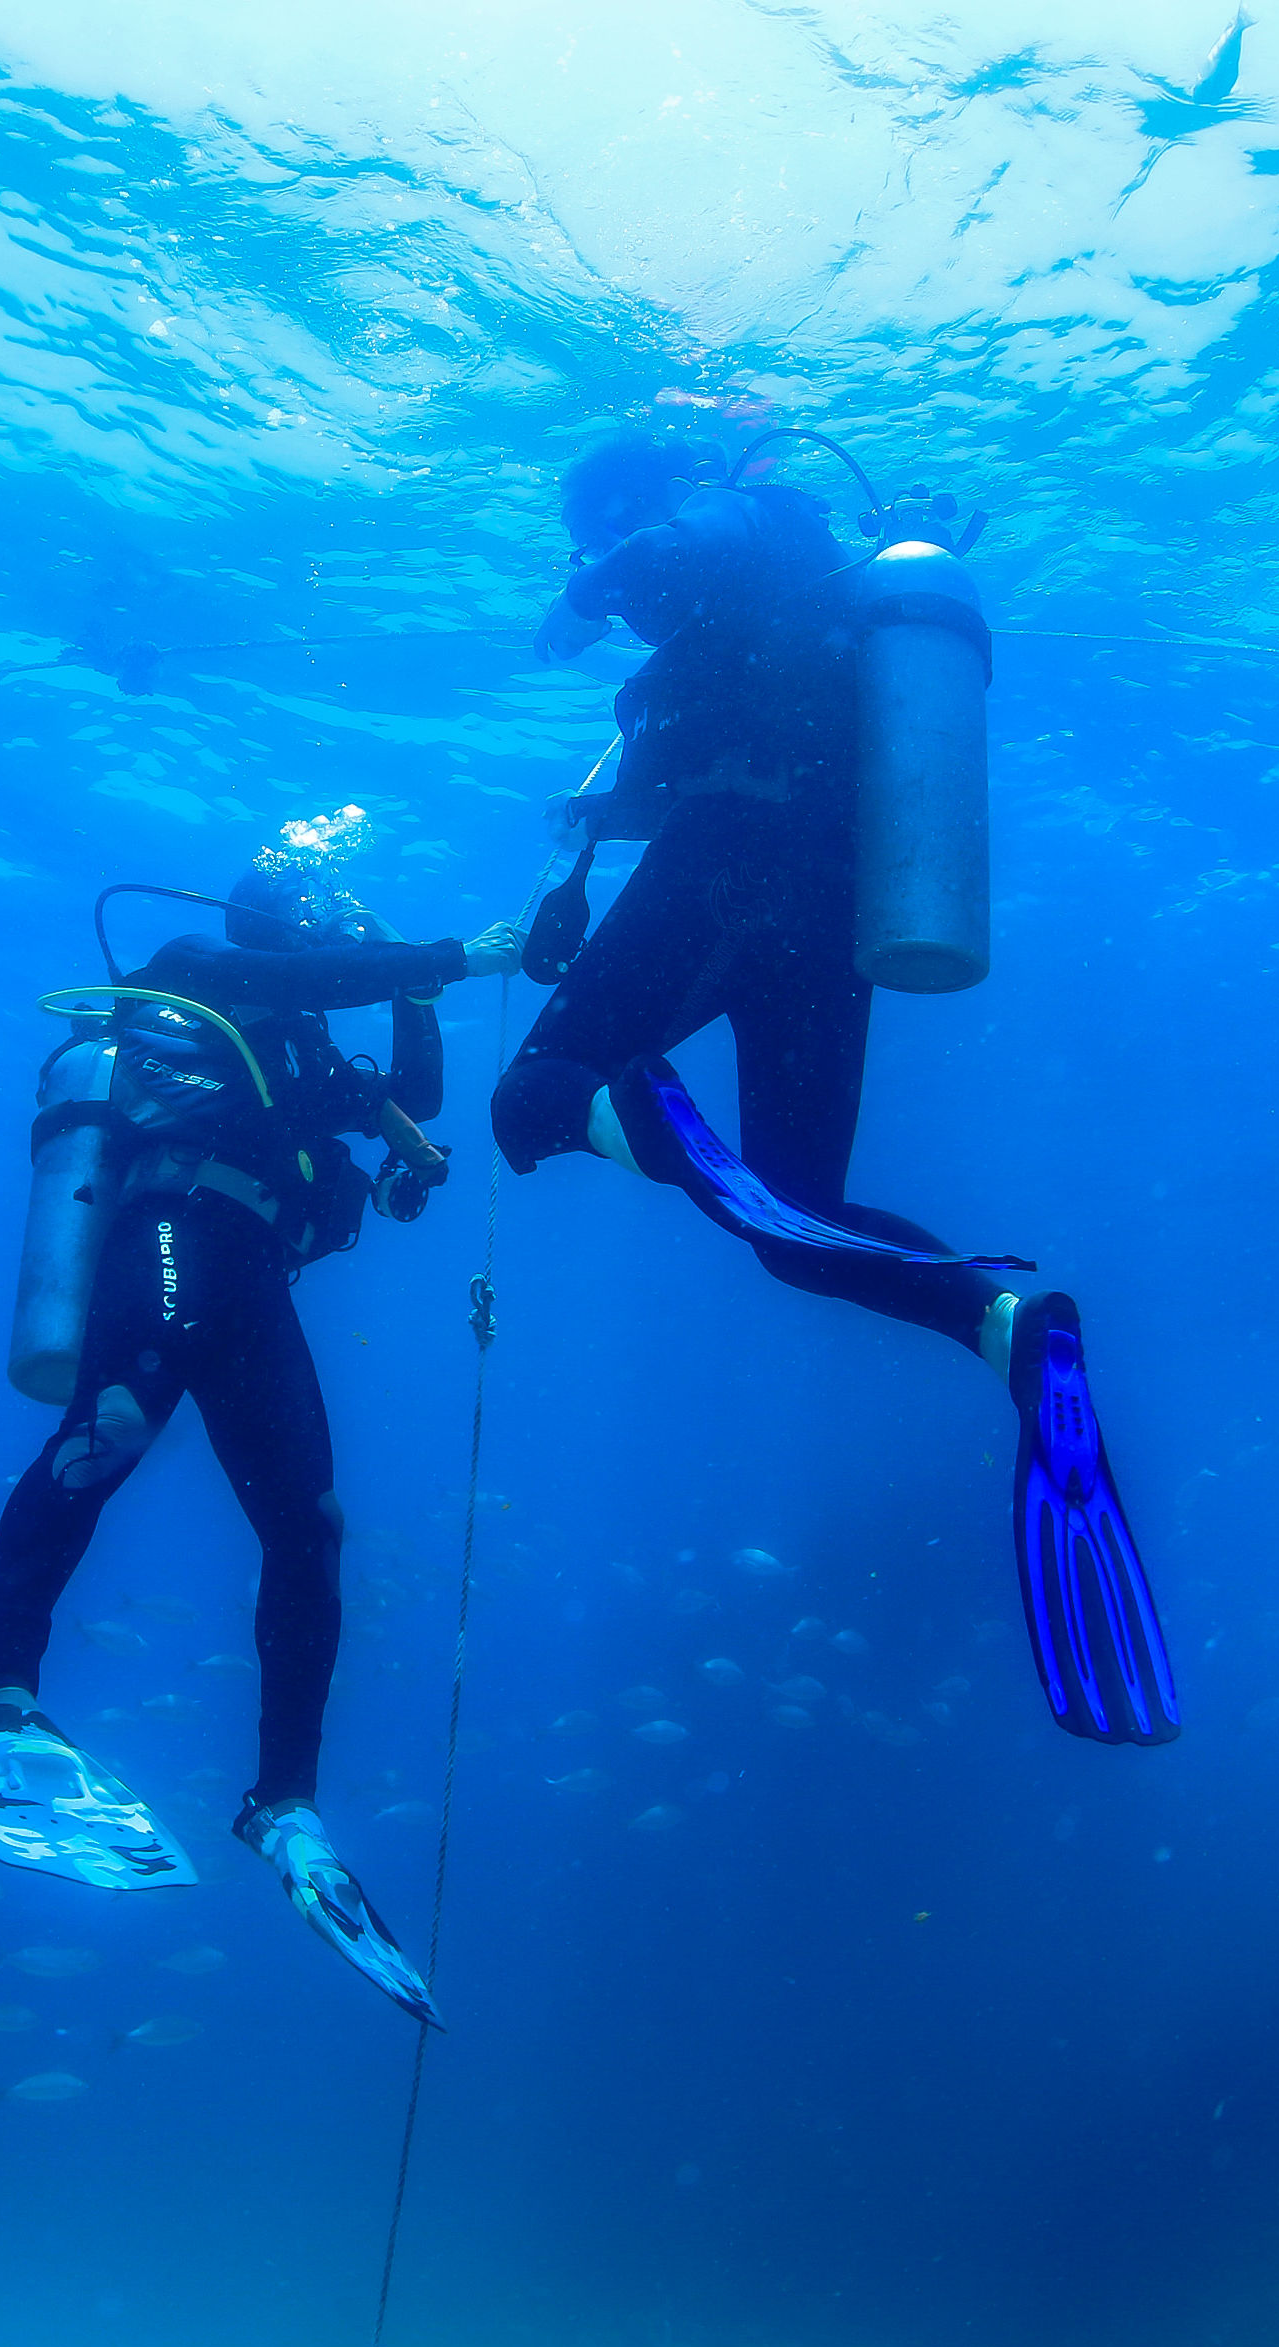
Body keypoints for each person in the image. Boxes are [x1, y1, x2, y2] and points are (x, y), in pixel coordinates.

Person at [493, 401, 1176, 1745]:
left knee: (531, 1100)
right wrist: (585, 844)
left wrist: (583, 595)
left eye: (600, 524)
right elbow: (709, 730)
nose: (607, 561)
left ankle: (634, 1106)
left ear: (645, 496)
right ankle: (1003, 1324)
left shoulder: (749, 516)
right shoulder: (805, 593)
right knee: (793, 1224)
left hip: (732, 868)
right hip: (834, 906)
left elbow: (693, 546)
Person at [0, 831, 522, 2022]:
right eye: (321, 917)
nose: (333, 935)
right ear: (279, 921)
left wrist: (414, 993)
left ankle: (284, 1800)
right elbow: (307, 978)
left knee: (311, 1526)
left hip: (253, 1275)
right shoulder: (198, 963)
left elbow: (411, 1102)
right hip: (173, 1230)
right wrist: (449, 954)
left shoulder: (302, 1050)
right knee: (105, 1436)